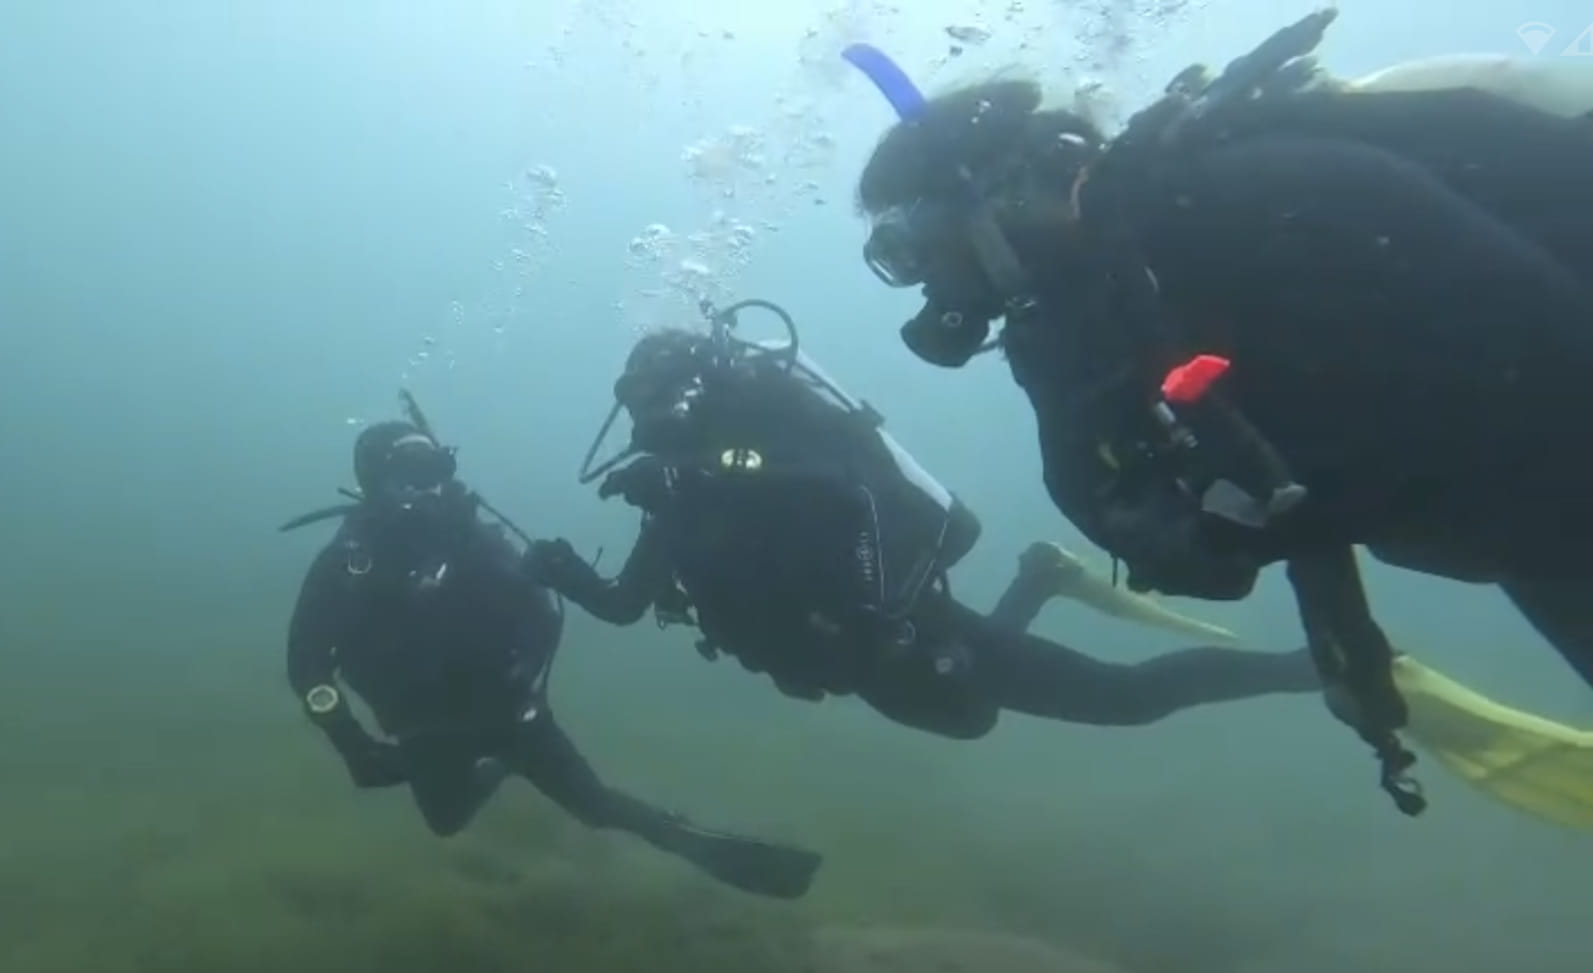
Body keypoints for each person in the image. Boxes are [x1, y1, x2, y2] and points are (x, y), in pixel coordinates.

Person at [842, 11, 1593, 812]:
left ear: (993, 200)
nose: (926, 286)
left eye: (914, 248)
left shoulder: (1243, 198)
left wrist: (1315, 501)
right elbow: (1190, 540)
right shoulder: (1101, 311)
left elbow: (1547, 350)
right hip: (1536, 536)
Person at [525, 300, 1318, 743]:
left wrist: (873, 615)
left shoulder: (753, 448)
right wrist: (567, 574)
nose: (655, 421)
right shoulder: (675, 493)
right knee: (971, 721)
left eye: (666, 402)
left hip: (911, 631)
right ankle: (1037, 577)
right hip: (856, 662)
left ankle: (1316, 665)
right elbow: (627, 603)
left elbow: (843, 489)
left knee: (1126, 699)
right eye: (642, 409)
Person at [280, 405, 821, 899]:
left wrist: (529, 678)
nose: (431, 486)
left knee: (595, 806)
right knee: (446, 820)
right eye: (412, 469)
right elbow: (307, 668)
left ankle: (693, 842)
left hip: (511, 706)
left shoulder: (477, 539)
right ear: (376, 480)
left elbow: (539, 612)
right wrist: (350, 742)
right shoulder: (350, 564)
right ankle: (500, 768)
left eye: (435, 467)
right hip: (425, 724)